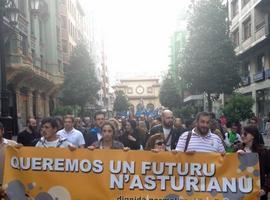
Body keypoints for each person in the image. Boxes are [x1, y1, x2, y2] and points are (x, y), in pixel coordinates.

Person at [237, 125, 270, 200]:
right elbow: (229, 168)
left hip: (258, 194)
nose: (242, 136)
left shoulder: (263, 152)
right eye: (241, 133)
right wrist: (234, 156)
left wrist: (265, 189)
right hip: (240, 193)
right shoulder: (237, 149)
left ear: (253, 136)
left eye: (245, 134)